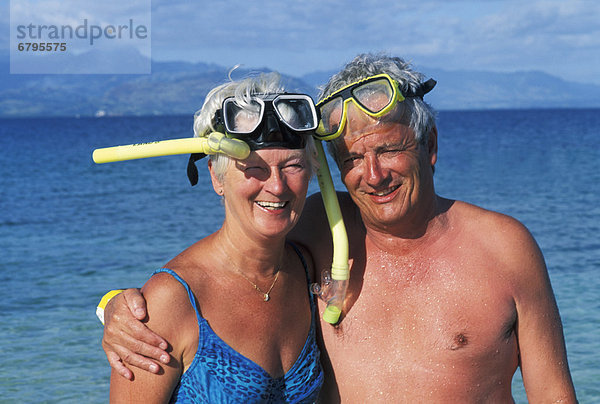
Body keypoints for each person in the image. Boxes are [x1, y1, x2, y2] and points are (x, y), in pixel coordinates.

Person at [102, 54, 577, 402]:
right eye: (351, 158)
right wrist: (115, 309)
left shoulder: (504, 249)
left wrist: (116, 308)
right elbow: (213, 277)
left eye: (389, 149)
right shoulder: (317, 232)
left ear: (429, 145)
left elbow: (556, 396)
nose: (373, 175)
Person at [105, 72, 324, 403]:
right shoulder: (171, 301)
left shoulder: (310, 267)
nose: (276, 186)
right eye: (253, 168)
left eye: (292, 166)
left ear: (311, 171)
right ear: (216, 177)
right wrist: (111, 305)